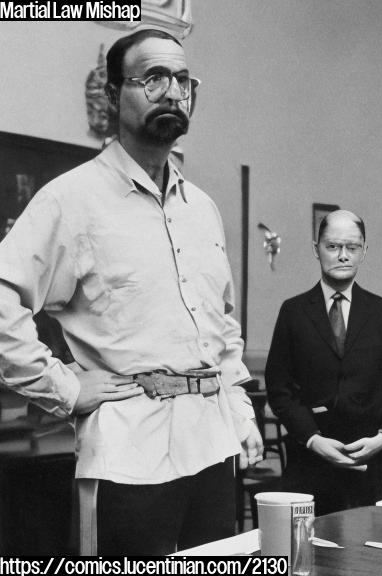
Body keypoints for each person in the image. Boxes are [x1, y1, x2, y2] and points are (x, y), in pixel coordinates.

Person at [0, 30, 262, 554]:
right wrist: (66, 388)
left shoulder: (201, 209)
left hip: (214, 452)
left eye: (183, 81)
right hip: (130, 460)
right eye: (153, 78)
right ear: (115, 94)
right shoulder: (72, 200)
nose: (172, 91)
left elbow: (221, 327)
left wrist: (240, 412)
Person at [266, 209, 382, 514]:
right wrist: (312, 439)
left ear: (364, 252)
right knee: (309, 557)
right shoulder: (293, 312)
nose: (343, 255)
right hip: (311, 469)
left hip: (375, 467)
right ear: (316, 249)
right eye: (333, 247)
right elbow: (279, 387)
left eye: (352, 247)